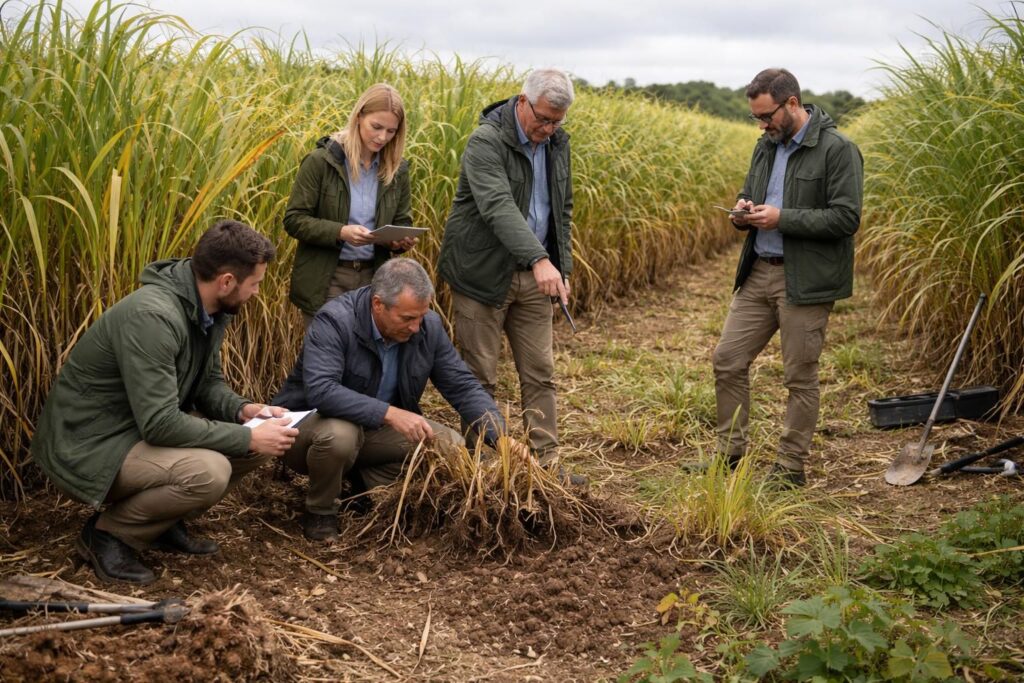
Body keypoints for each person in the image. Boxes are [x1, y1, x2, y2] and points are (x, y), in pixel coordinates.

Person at [30, 220, 300, 584]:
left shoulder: (207, 308)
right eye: (255, 284)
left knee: (261, 442)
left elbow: (208, 385)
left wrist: (245, 411)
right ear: (226, 281)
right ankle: (108, 535)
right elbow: (160, 424)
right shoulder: (154, 318)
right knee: (209, 472)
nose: (256, 292)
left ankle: (160, 521)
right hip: (90, 444)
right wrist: (247, 436)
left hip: (133, 430)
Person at [272, 258, 514, 541]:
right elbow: (322, 391)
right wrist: (390, 413)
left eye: (421, 316)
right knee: (341, 436)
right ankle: (321, 510)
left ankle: (362, 486)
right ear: (378, 304)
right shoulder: (335, 321)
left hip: (372, 428)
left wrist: (500, 437)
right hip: (307, 430)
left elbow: (462, 386)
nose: (416, 327)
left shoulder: (428, 327)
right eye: (407, 318)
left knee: (450, 446)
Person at [712, 68, 864, 487]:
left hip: (805, 280)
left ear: (792, 103)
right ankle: (730, 454)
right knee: (727, 360)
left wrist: (783, 218)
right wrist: (743, 212)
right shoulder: (766, 146)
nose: (762, 125)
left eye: (767, 116)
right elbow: (750, 192)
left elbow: (846, 218)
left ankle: (790, 467)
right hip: (759, 271)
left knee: (799, 376)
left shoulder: (838, 149)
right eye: (756, 118)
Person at [437, 68, 579, 478]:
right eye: (543, 119)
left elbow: (561, 210)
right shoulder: (486, 141)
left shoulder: (557, 144)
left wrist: (561, 268)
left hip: (536, 276)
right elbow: (498, 206)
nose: (548, 129)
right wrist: (539, 260)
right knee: (480, 376)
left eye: (556, 122)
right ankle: (480, 467)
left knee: (540, 372)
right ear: (522, 102)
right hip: (482, 273)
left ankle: (547, 466)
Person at [284, 83, 417, 327]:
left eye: (391, 131)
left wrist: (398, 241)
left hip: (375, 280)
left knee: (368, 350)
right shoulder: (321, 162)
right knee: (327, 349)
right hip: (327, 279)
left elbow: (402, 221)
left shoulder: (398, 170)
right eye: (376, 127)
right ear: (358, 118)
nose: (382, 137)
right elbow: (294, 219)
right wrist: (341, 232)